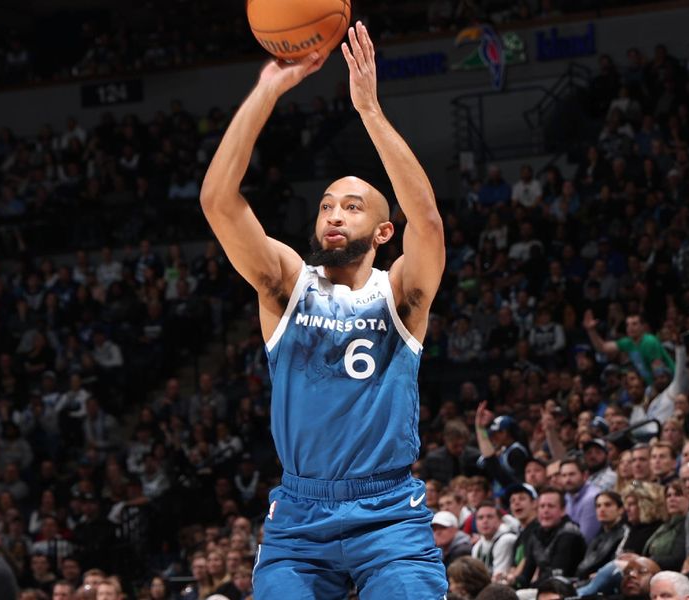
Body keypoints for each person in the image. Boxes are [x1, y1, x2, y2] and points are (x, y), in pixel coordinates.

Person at [200, 21, 447, 598]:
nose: (334, 214)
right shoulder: (287, 284)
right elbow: (217, 201)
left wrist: (369, 110)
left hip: (388, 512)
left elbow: (429, 223)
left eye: (353, 206)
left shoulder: (402, 294)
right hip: (299, 516)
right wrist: (267, 89)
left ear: (384, 230)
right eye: (327, 205)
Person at [517, 488, 586, 586]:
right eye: (542, 506)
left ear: (562, 510)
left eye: (551, 506)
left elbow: (557, 575)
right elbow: (526, 574)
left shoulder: (569, 533)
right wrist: (512, 582)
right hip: (544, 587)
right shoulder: (535, 533)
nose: (545, 510)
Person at [470, 500, 517, 580]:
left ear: (500, 521)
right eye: (480, 518)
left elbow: (498, 577)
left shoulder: (506, 539)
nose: (485, 521)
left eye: (490, 517)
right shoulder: (477, 547)